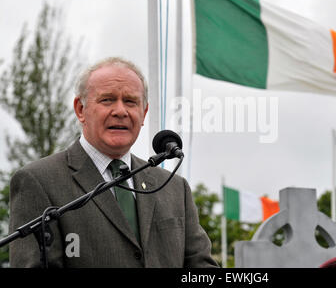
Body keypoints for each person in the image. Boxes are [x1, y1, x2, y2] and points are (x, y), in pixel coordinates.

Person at [8, 57, 218, 268]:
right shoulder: (38, 181)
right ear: (80, 109)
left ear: (144, 113)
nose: (120, 111)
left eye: (130, 101)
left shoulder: (174, 188)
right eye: (107, 100)